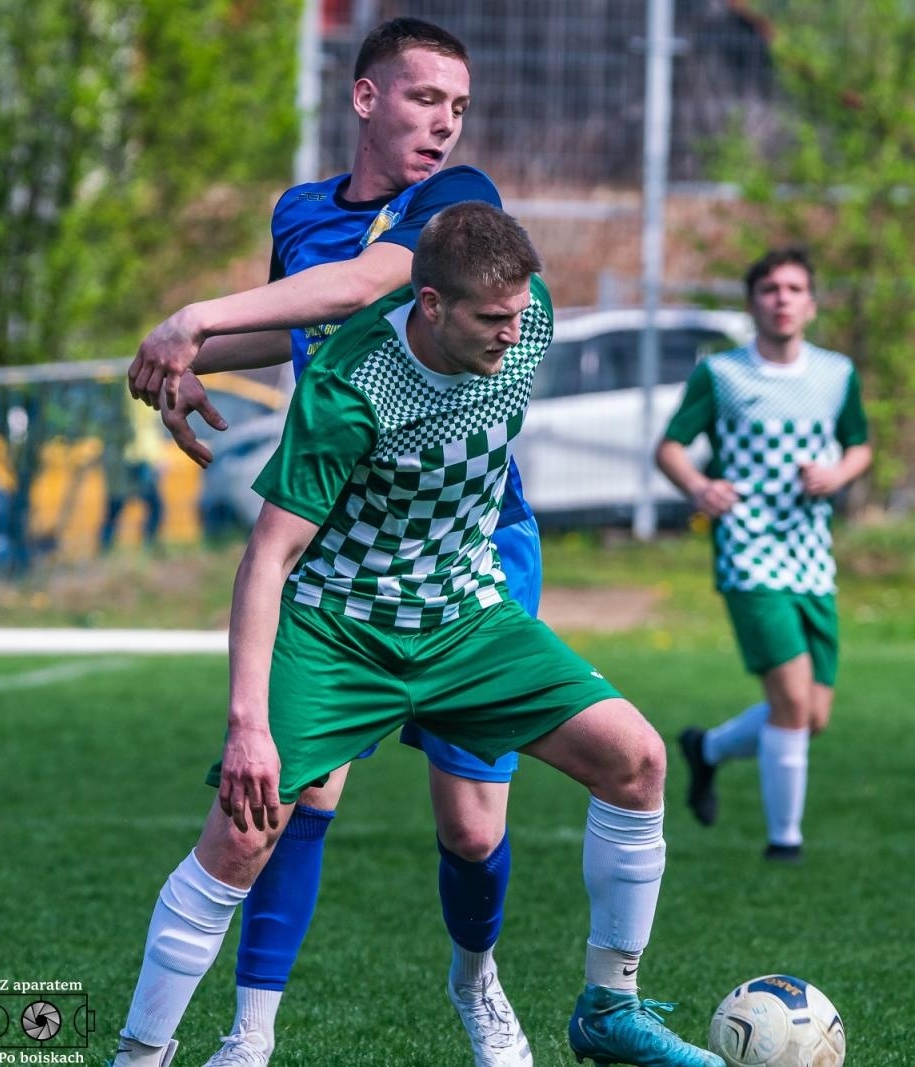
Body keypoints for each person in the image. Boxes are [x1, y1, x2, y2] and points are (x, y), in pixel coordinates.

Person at [109, 202, 721, 1067]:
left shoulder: (527, 313)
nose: (515, 335)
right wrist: (248, 722)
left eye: (520, 315)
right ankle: (142, 1052)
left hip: (467, 619)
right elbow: (267, 559)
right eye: (491, 319)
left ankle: (607, 1005)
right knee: (244, 831)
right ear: (430, 304)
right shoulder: (350, 388)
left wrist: (512, 312)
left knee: (638, 758)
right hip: (341, 628)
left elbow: (514, 311)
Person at [124, 19, 542, 1066]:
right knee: (291, 793)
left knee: (473, 828)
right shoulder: (301, 212)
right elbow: (308, 326)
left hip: (470, 542)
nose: (444, 121)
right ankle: (247, 1035)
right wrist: (204, 350)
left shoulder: (458, 200)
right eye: (422, 99)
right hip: (343, 548)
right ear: (365, 100)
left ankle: (476, 978)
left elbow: (368, 287)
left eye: (456, 103)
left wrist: (195, 312)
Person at [655, 248, 871, 862]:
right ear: (753, 303)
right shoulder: (721, 375)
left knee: (813, 715)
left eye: (794, 288)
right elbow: (670, 448)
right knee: (793, 704)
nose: (782, 298)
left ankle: (709, 749)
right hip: (748, 553)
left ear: (811, 304)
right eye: (770, 288)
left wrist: (837, 473)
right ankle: (785, 844)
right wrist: (699, 487)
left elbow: (859, 444)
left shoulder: (836, 373)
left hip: (812, 555)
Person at [100, 386, 166, 552]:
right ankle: (147, 548)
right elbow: (135, 428)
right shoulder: (132, 389)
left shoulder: (148, 387)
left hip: (139, 457)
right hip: (137, 458)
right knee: (150, 505)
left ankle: (142, 548)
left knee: (121, 506)